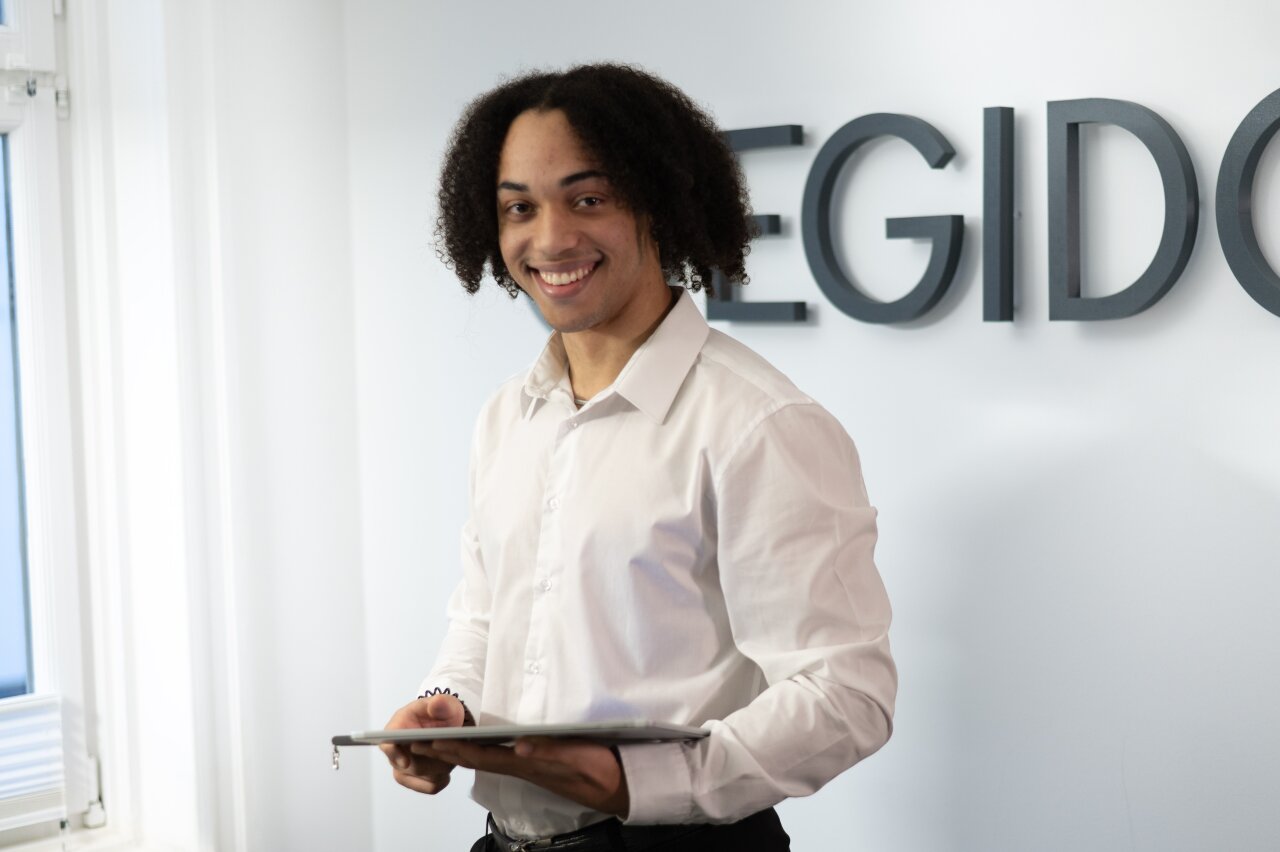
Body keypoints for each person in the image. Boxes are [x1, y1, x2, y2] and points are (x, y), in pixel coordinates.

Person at [381, 63, 897, 852]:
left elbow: (846, 694)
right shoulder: (506, 418)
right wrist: (449, 703)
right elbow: (485, 615)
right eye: (520, 207)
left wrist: (637, 783)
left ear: (658, 201)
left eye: (588, 199)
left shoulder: (759, 423)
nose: (550, 238)